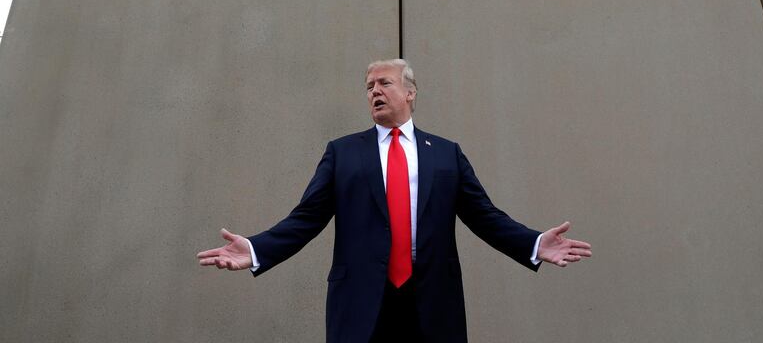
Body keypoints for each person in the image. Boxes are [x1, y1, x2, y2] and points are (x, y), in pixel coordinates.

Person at [197, 59, 592, 342]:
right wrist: (255, 249)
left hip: (431, 300)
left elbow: (485, 217)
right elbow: (306, 218)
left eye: (384, 83)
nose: (375, 91)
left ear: (410, 92)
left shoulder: (446, 154)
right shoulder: (343, 152)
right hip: (362, 300)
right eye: (369, 86)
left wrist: (535, 243)